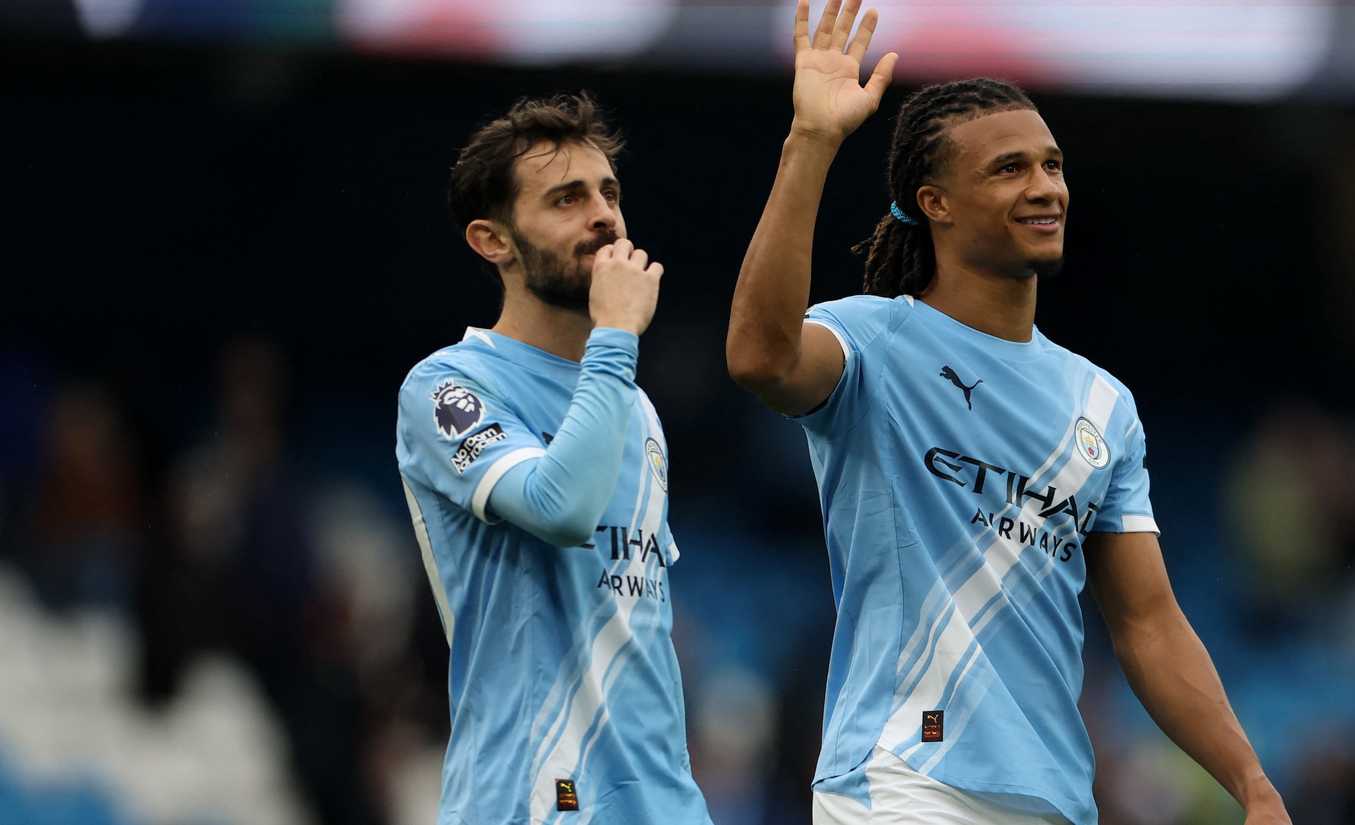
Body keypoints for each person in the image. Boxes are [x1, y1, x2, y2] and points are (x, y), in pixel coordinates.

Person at [725, 2, 1293, 824]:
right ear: (937, 202)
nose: (1045, 188)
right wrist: (810, 141)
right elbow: (760, 357)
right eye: (1009, 169)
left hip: (1053, 798)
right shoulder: (874, 340)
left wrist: (1251, 780)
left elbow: (1148, 623)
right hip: (898, 784)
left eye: (1053, 165)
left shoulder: (1102, 403)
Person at [395, 93, 712, 825]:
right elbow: (560, 507)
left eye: (609, 193)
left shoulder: (633, 406)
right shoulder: (449, 385)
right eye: (567, 199)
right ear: (492, 240)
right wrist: (616, 337)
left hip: (665, 805)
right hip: (533, 799)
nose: (603, 216)